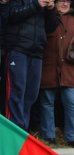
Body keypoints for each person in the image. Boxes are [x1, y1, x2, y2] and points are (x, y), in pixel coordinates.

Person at [40, 0, 74, 148]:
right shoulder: (46, 16)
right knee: (47, 102)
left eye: (68, 1)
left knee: (71, 102)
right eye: (61, 1)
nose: (65, 4)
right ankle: (48, 135)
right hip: (48, 65)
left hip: (69, 68)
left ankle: (73, 136)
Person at [3, 0, 59, 131]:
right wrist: (36, 5)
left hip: (37, 52)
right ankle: (14, 132)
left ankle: (22, 131)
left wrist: (50, 10)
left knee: (31, 95)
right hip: (17, 49)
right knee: (16, 92)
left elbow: (52, 27)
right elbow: (10, 15)